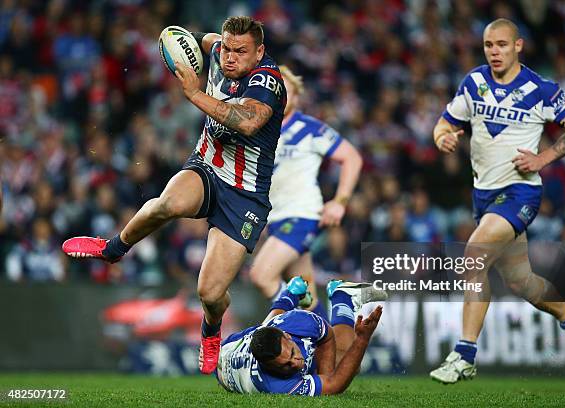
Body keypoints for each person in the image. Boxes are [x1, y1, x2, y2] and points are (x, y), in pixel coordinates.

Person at [62, 16, 287, 374]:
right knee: (170, 202)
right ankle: (112, 249)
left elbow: (247, 121)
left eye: (240, 52)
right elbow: (183, 39)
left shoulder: (268, 82)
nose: (229, 57)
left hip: (245, 194)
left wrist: (194, 93)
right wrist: (173, 46)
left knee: (210, 294)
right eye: (226, 48)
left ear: (259, 52)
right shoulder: (217, 49)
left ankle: (211, 330)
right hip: (208, 167)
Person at [429, 18, 565, 384]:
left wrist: (543, 158)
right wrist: (442, 138)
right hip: (484, 196)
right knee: (522, 283)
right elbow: (443, 123)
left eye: (502, 45)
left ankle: (465, 354)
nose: (494, 52)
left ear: (518, 46)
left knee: (473, 256)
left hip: (520, 193)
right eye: (489, 45)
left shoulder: (540, 88)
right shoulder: (473, 82)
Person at [250, 65, 363, 319]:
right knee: (306, 297)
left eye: (287, 91)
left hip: (301, 214)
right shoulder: (260, 130)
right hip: (276, 220)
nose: (280, 96)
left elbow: (352, 158)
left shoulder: (310, 128)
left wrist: (340, 201)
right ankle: (327, 346)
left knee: (261, 275)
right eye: (276, 91)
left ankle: (296, 327)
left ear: (297, 96)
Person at [216, 276, 387, 395]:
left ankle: (334, 297)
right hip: (226, 367)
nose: (296, 363)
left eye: (291, 353)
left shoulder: (302, 321)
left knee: (267, 328)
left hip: (231, 346)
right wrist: (362, 339)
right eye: (285, 366)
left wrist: (326, 374)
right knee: (350, 366)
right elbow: (334, 385)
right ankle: (303, 293)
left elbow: (326, 335)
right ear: (269, 367)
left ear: (287, 336)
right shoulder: (276, 386)